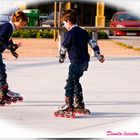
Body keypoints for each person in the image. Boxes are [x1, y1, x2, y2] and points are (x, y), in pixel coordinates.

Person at [54, 9, 105, 118]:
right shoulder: (83, 31)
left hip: (76, 62)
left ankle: (69, 105)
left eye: (64, 23)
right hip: (85, 62)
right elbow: (93, 43)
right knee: (75, 80)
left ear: (68, 21)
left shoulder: (70, 33)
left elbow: (63, 47)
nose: (64, 25)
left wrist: (61, 58)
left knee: (70, 82)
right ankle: (79, 103)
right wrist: (99, 56)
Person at [0, 10, 28, 106]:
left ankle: (3, 92)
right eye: (22, 24)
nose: (22, 26)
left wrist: (13, 49)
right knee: (1, 72)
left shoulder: (10, 28)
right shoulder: (8, 26)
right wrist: (10, 46)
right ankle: (3, 93)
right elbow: (1, 39)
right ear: (17, 21)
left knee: (2, 71)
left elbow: (8, 40)